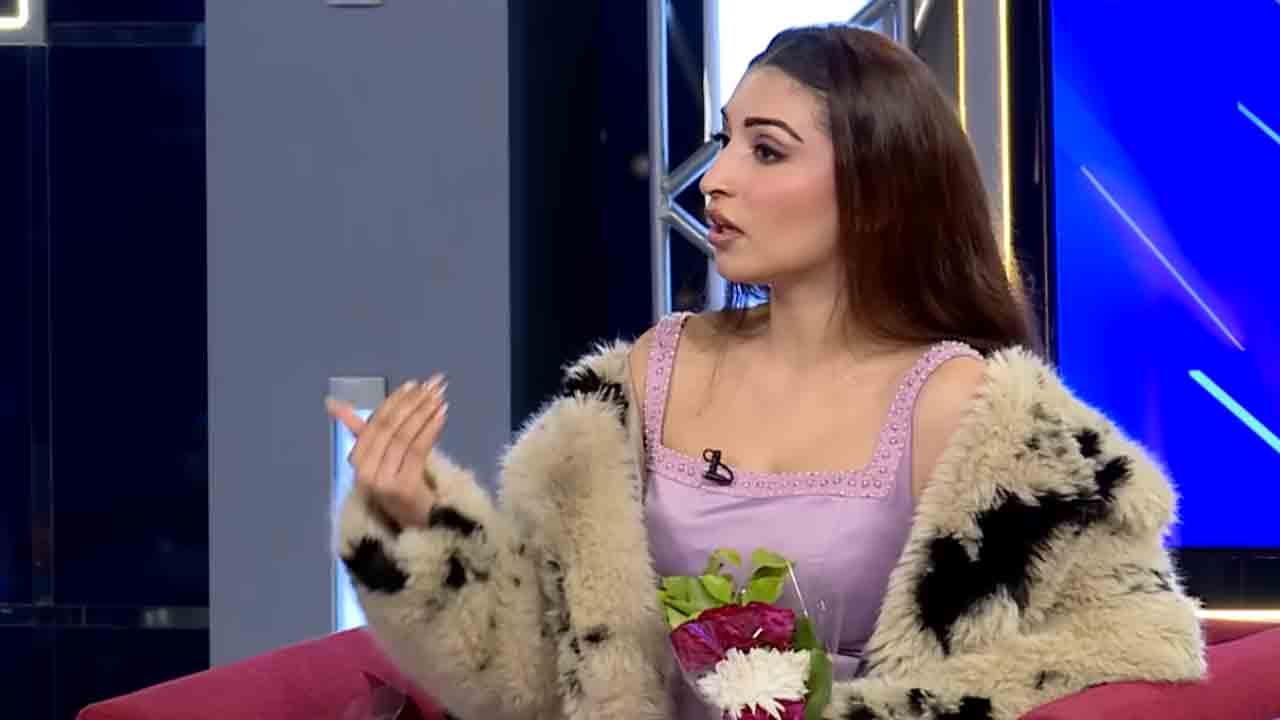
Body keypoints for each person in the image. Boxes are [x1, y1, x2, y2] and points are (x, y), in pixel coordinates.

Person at [326, 25, 1204, 720]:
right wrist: (417, 517)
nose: (715, 180)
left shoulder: (970, 409)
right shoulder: (651, 372)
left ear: (877, 189)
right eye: (724, 142)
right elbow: (538, 670)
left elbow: (1133, 644)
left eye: (767, 150)